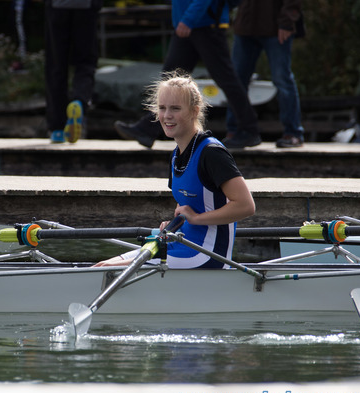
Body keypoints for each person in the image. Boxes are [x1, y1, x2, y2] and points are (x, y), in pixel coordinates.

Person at [96, 72, 255, 269]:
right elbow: (189, 207)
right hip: (180, 242)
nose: (167, 115)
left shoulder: (212, 153)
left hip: (207, 254)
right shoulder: (176, 155)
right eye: (162, 108)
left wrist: (196, 219)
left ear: (194, 111)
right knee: (103, 264)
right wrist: (175, 221)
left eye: (175, 109)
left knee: (110, 269)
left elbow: (246, 206)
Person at [113, 0, 261, 149]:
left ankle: (249, 130)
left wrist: (188, 20)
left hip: (204, 24)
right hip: (187, 23)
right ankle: (147, 128)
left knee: (226, 79)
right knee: (170, 81)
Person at [225, 0, 305, 148]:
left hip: (275, 26)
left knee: (282, 80)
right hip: (245, 26)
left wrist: (287, 21)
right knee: (236, 80)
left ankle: (293, 132)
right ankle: (235, 130)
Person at [44, 0, 102, 143]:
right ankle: (79, 100)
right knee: (85, 62)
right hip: (85, 7)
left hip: (57, 7)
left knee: (56, 65)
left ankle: (57, 128)